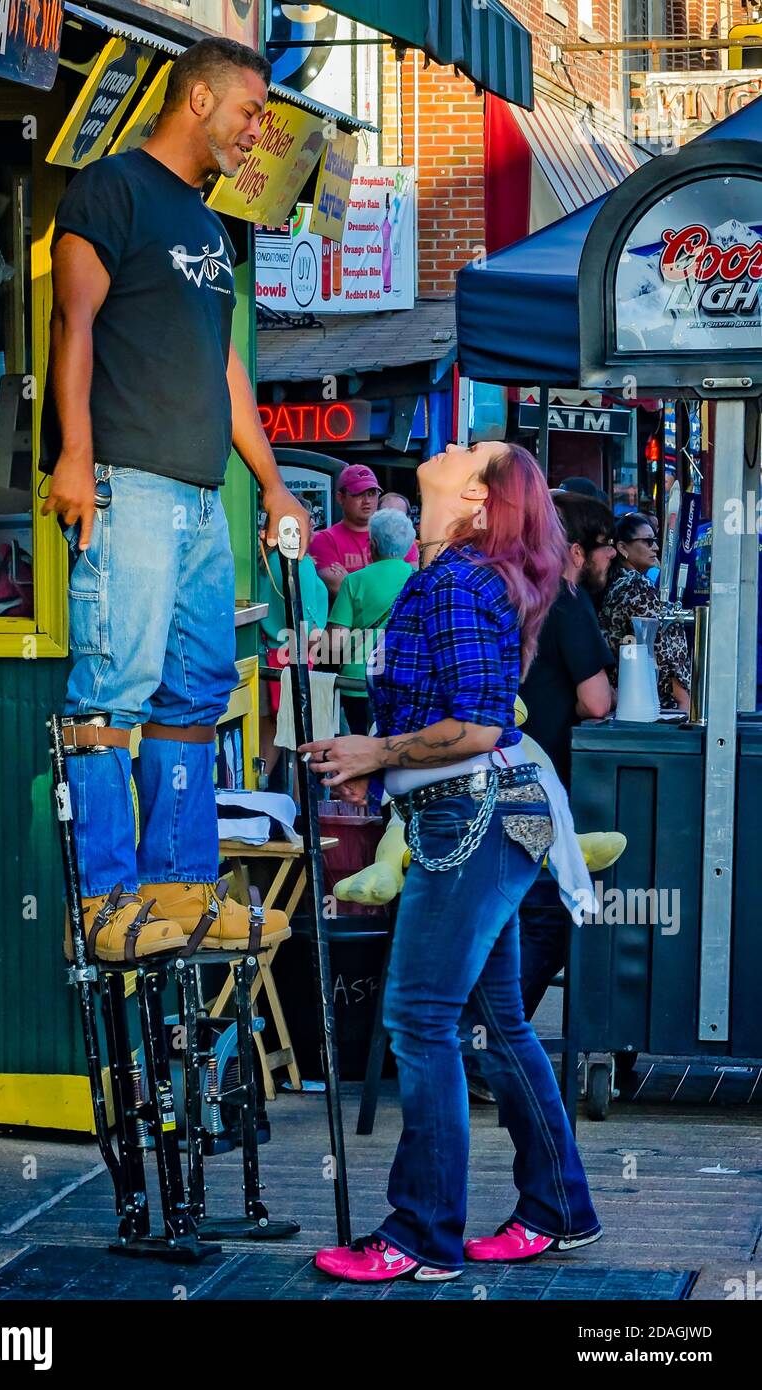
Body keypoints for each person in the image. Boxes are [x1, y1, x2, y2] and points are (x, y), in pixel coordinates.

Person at [305, 442, 602, 1283]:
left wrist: (373, 753)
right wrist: (376, 754)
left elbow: (476, 724)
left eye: (470, 450)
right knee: (496, 1021)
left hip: (469, 813)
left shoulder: (456, 580)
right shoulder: (458, 576)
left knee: (419, 1020)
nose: (450, 443)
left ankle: (419, 1236)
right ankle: (558, 1210)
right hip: (483, 811)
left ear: (475, 495)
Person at [41, 39, 309, 959]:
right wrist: (74, 456)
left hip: (198, 495)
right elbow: (71, 321)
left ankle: (181, 891)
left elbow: (223, 364)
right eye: (247, 113)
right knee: (108, 692)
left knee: (194, 693)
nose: (253, 133)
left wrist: (272, 480)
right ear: (197, 100)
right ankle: (105, 900)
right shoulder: (111, 189)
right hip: (127, 479)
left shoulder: (205, 224)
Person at [519, 492, 616, 791]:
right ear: (576, 553)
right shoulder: (569, 600)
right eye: (604, 544)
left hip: (512, 762)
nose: (612, 553)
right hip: (549, 770)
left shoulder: (522, 593)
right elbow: (596, 702)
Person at [327, 508, 416, 736]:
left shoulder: (353, 582)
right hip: (404, 678)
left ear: (373, 544)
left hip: (358, 681)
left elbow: (334, 645)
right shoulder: (420, 579)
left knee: (359, 745)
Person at [599, 513, 690, 712]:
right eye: (648, 542)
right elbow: (658, 646)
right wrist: (683, 698)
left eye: (655, 541)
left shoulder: (615, 583)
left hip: (624, 694)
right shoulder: (638, 586)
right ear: (622, 548)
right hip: (653, 699)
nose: (655, 548)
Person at [258, 533, 327, 779]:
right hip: (295, 655)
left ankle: (260, 787)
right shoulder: (300, 563)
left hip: (264, 655)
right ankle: (300, 808)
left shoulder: (264, 561)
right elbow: (306, 628)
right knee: (302, 736)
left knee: (272, 730)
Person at [309, 465, 418, 598]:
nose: (367, 501)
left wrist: (349, 581)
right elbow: (338, 589)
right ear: (340, 497)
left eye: (372, 493)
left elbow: (411, 587)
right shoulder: (323, 540)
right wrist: (389, 585)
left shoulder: (400, 534)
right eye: (358, 494)